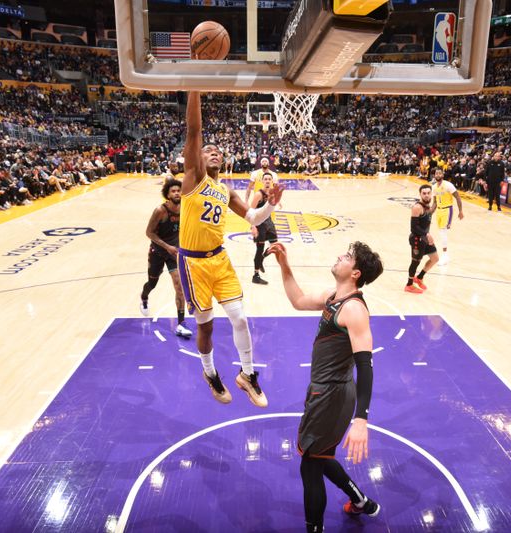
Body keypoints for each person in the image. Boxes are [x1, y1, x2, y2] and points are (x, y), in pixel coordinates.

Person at [266, 241, 384, 533]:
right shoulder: (333, 297)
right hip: (324, 391)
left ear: (355, 273)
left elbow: (365, 365)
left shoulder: (354, 310)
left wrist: (362, 419)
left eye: (346, 257)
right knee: (318, 455)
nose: (339, 256)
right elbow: (298, 300)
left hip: (332, 396)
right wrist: (284, 264)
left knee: (309, 465)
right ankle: (361, 502)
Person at [179, 90, 284, 407]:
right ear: (197, 157)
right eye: (207, 150)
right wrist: (195, 86)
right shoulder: (193, 178)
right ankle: (210, 372)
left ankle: (247, 375)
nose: (212, 152)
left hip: (219, 259)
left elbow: (252, 216)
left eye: (217, 151)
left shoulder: (224, 190)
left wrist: (270, 205)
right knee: (206, 325)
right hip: (193, 264)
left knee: (239, 318)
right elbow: (194, 131)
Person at [140, 178, 192, 338]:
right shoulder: (160, 211)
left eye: (178, 190)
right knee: (152, 283)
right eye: (173, 191)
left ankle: (181, 324)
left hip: (174, 253)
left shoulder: (185, 208)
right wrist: (166, 246)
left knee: (179, 286)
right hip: (158, 251)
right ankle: (144, 297)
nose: (177, 193)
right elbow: (149, 233)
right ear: (167, 194)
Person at [405, 184, 439, 294]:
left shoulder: (428, 206)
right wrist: (427, 234)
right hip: (417, 239)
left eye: (428, 193)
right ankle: (409, 285)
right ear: (420, 194)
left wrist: (437, 199)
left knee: (435, 258)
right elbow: (413, 228)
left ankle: (419, 277)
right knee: (415, 262)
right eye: (424, 193)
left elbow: (431, 211)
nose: (426, 195)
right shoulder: (417, 207)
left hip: (424, 238)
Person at [249, 171, 279, 285]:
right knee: (259, 248)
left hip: (269, 222)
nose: (267, 181)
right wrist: (253, 226)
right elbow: (250, 211)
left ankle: (261, 259)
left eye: (269, 179)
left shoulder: (272, 193)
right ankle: (255, 275)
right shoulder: (258, 194)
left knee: (275, 246)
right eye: (265, 179)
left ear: (272, 181)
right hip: (259, 224)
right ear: (262, 181)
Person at [430, 167, 464, 265]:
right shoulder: (434, 187)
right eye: (436, 174)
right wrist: (429, 214)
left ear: (443, 175)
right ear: (434, 175)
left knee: (443, 232)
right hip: (439, 211)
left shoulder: (448, 185)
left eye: (440, 173)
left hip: (447, 210)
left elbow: (458, 197)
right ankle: (445, 255)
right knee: (441, 232)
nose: (438, 175)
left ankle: (445, 256)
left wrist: (460, 211)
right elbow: (435, 203)